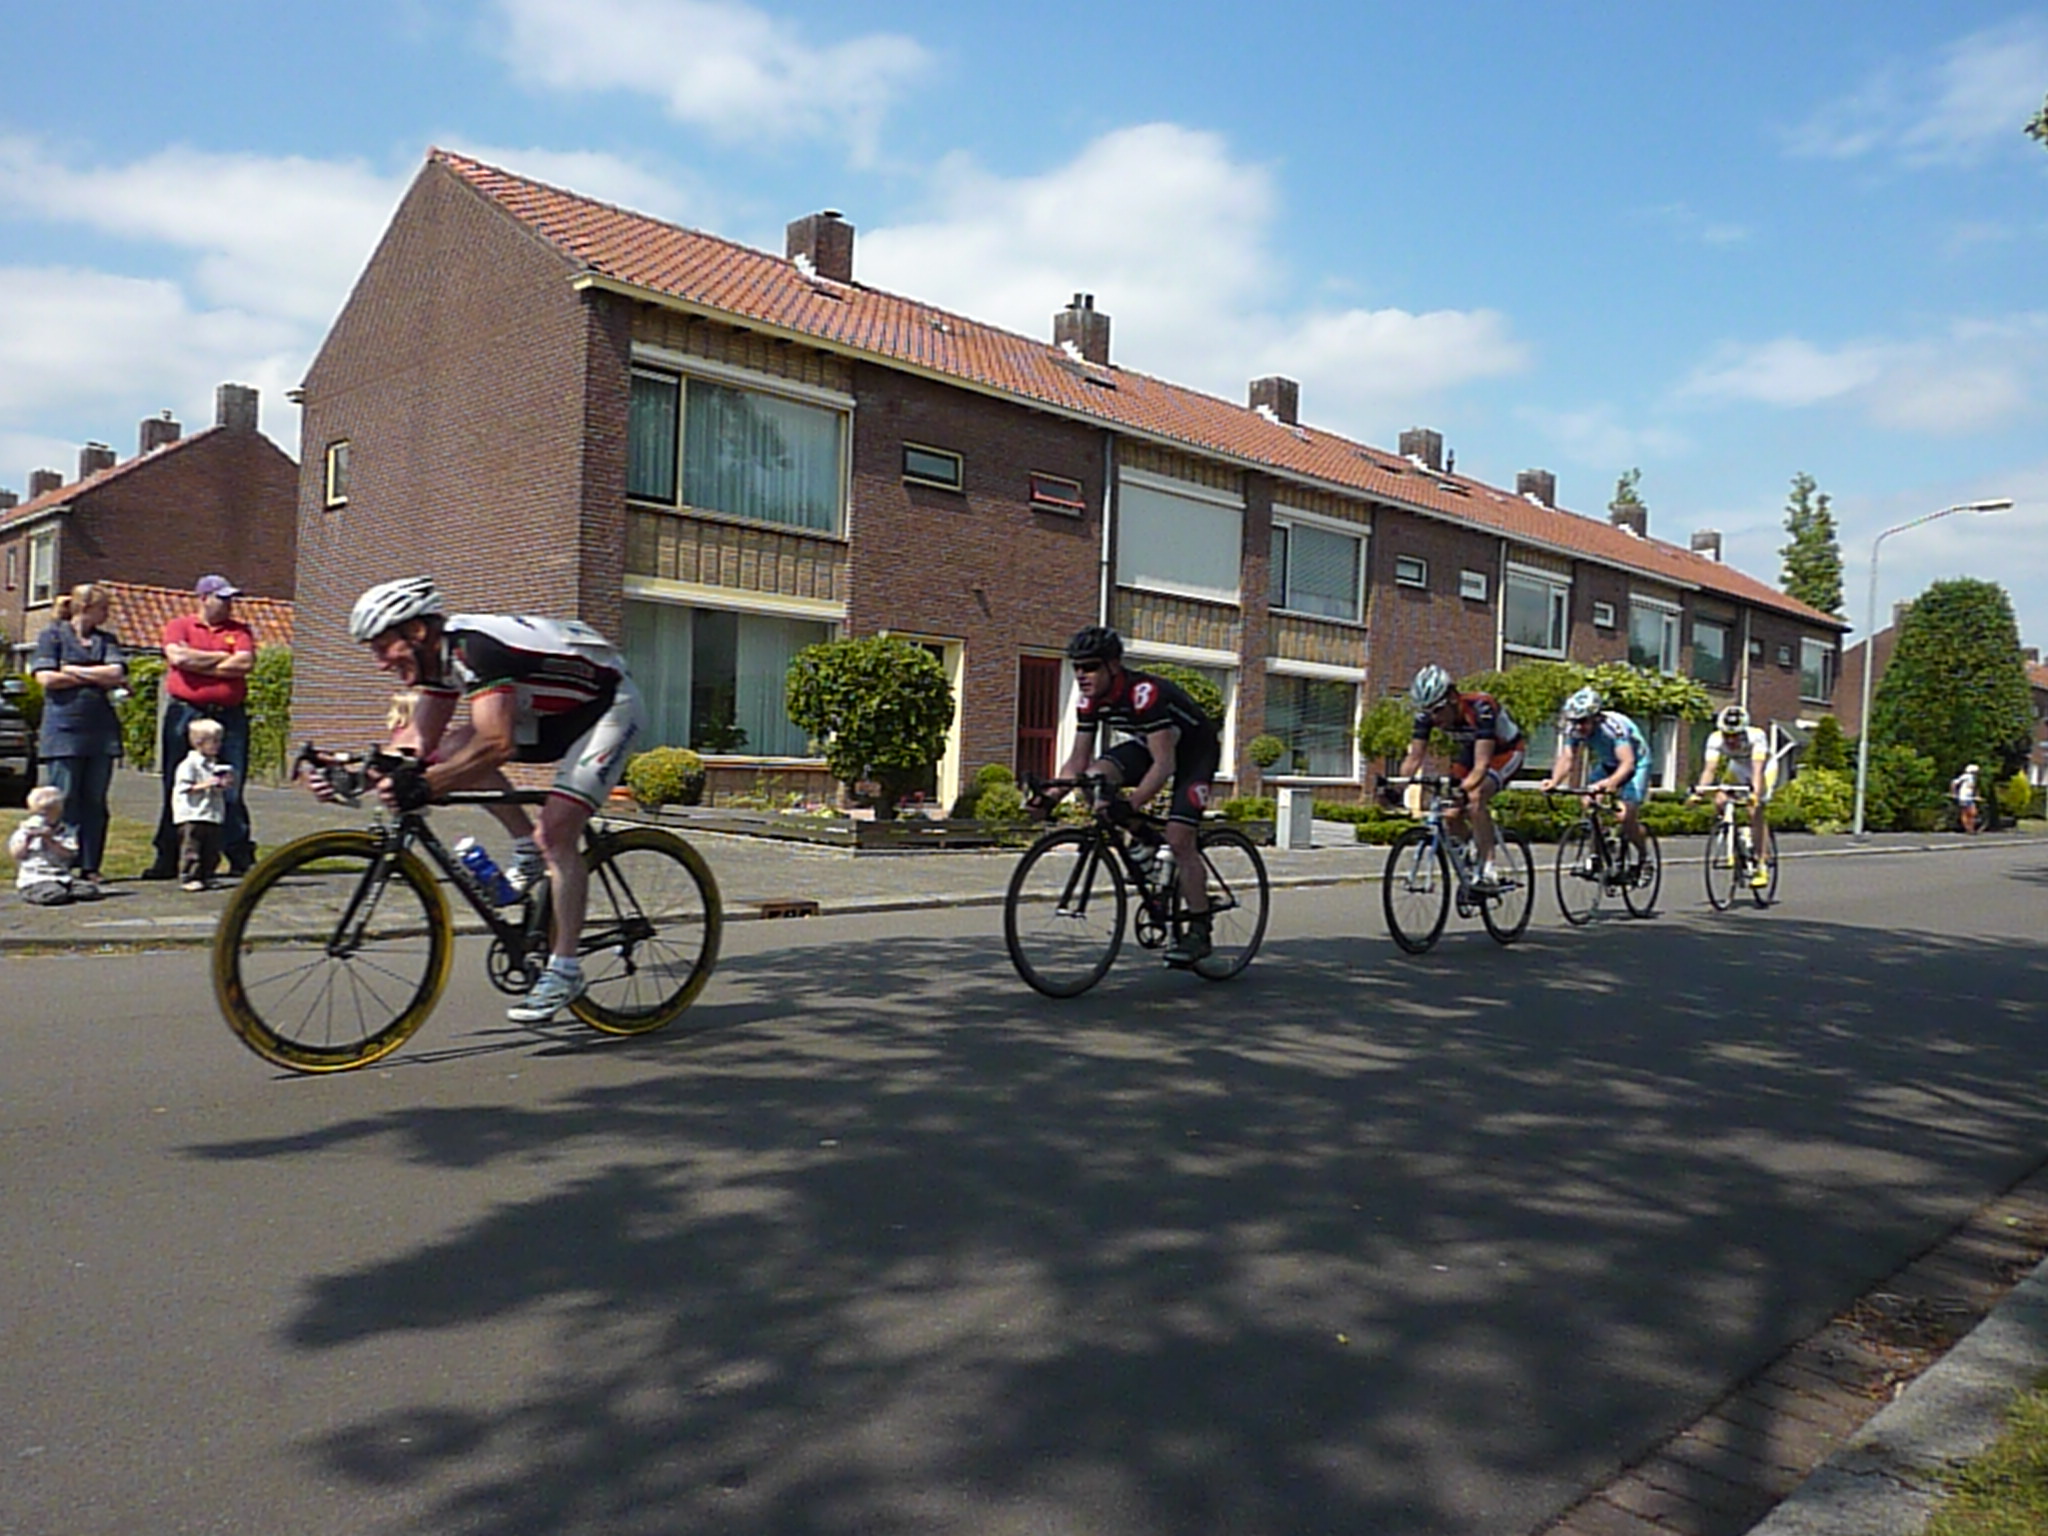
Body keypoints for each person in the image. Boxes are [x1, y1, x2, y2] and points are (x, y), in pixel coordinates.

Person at [312, 578, 644, 1022]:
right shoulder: (438, 664)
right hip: (550, 715)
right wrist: (351, 778)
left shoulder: (476, 651)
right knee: (447, 753)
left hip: (608, 708)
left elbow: (496, 744)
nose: (378, 663)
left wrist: (427, 787)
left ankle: (565, 969)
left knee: (557, 834)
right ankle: (527, 849)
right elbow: (415, 744)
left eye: (382, 647)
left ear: (417, 632)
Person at [1033, 625, 1220, 966]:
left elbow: (1164, 766)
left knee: (1180, 838)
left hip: (1195, 750)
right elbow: (1077, 763)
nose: (1081, 675)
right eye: (1077, 667)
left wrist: (1130, 805)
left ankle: (1200, 929)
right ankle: (1145, 842)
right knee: (1093, 780)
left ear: (1113, 666)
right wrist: (1049, 798)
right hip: (1151, 743)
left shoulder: (1143, 693)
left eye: (1089, 667)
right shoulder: (1088, 701)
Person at [145, 574, 257, 879]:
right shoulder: (179, 626)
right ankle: (169, 856)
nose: (228, 604)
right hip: (186, 713)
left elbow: (244, 664)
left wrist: (200, 662)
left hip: (229, 715)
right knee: (178, 784)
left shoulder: (240, 630)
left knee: (230, 784)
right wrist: (222, 659)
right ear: (204, 598)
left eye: (230, 598)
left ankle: (239, 855)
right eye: (222, 598)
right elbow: (178, 657)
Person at [30, 582, 127, 897]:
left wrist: (72, 670)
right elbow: (46, 678)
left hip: (101, 733)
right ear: (87, 608)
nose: (107, 614)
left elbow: (116, 673)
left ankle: (91, 866)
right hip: (63, 732)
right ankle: (60, 864)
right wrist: (93, 675)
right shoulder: (53, 635)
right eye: (104, 608)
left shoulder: (105, 640)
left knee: (95, 802)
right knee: (65, 801)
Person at [1396, 664, 1527, 892]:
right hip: (1470, 751)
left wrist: (1461, 791)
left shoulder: (1481, 707)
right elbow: (1414, 758)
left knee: (1475, 796)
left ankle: (1488, 866)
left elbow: (1481, 766)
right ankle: (1469, 854)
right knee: (1450, 812)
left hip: (1504, 751)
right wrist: (1396, 788)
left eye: (1437, 710)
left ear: (1453, 698)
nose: (1434, 719)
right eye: (1428, 712)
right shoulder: (1427, 716)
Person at [1540, 686, 1653, 872]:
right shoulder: (1574, 729)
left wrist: (1610, 783)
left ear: (1596, 717)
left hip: (1636, 764)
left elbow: (1627, 764)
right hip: (1608, 764)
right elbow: (1568, 757)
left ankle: (1644, 857)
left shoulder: (1614, 728)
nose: (1578, 727)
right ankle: (1599, 849)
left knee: (1625, 816)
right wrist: (1554, 781)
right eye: (1575, 722)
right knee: (1588, 801)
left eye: (1583, 721)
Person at [1691, 704, 1777, 886]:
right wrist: (1699, 792)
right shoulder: (1715, 739)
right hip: (1737, 767)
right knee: (1721, 798)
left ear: (1743, 731)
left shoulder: (1756, 737)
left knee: (1755, 809)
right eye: (1726, 735)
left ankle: (1761, 862)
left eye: (1735, 735)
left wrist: (1755, 794)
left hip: (1763, 768)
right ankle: (1731, 833)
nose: (1730, 740)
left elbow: (1757, 770)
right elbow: (1710, 769)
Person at [172, 717, 234, 890]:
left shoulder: (215, 764)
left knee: (212, 848)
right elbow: (184, 787)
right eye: (213, 741)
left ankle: (207, 875)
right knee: (192, 846)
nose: (217, 745)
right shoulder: (188, 765)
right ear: (199, 742)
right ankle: (189, 876)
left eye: (219, 741)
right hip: (193, 813)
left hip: (212, 812)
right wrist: (208, 783)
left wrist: (224, 783)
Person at [9, 784, 80, 906]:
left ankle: (65, 890)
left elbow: (69, 854)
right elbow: (17, 854)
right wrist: (28, 838)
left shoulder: (64, 831)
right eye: (40, 814)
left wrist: (49, 840)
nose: (44, 819)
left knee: (88, 890)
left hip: (61, 876)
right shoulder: (24, 831)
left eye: (48, 814)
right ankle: (33, 893)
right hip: (35, 878)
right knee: (54, 894)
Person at [1951, 763, 1981, 834]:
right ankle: (1969, 829)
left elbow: (1973, 788)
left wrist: (1976, 795)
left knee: (1970, 813)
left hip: (1969, 797)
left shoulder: (1973, 778)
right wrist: (1954, 793)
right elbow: (1954, 782)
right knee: (1969, 813)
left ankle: (1970, 828)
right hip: (1964, 797)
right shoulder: (1966, 776)